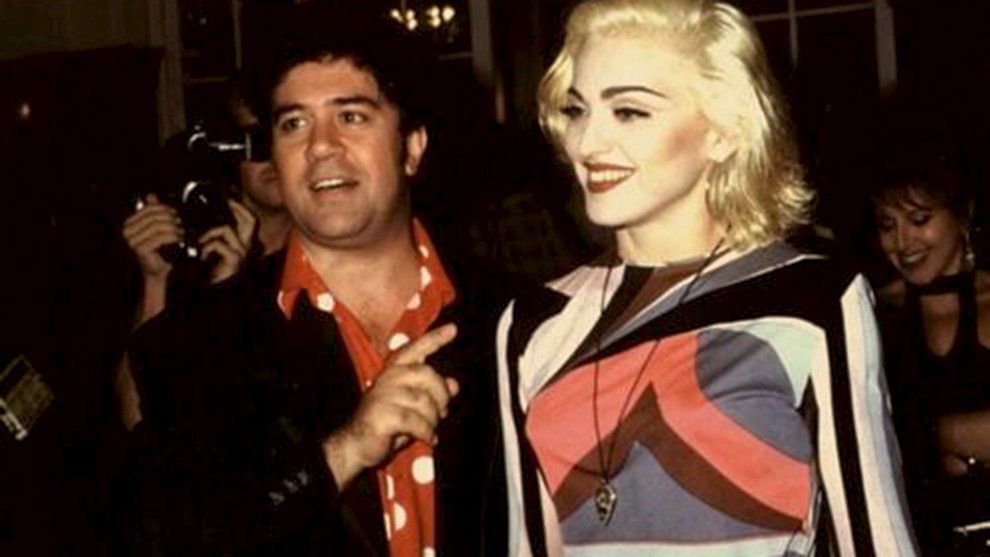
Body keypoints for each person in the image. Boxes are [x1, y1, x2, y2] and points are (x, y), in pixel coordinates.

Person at [495, 0, 917, 554]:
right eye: (577, 110)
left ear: (724, 131)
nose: (586, 143)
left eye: (629, 112)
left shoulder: (810, 297)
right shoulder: (534, 321)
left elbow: (877, 538)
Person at [122, 12, 506, 556]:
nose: (321, 146)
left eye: (351, 116)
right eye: (294, 124)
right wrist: (341, 454)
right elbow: (159, 538)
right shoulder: (195, 343)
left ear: (412, 148)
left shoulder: (518, 321)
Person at [114, 80, 291, 430]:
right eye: (253, 139)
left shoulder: (334, 255)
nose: (270, 154)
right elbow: (134, 416)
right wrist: (155, 281)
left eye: (286, 131)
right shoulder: (196, 254)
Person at [872, 151, 990, 554]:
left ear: (962, 216)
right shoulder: (871, 312)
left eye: (919, 220)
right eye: (887, 226)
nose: (903, 242)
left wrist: (925, 432)